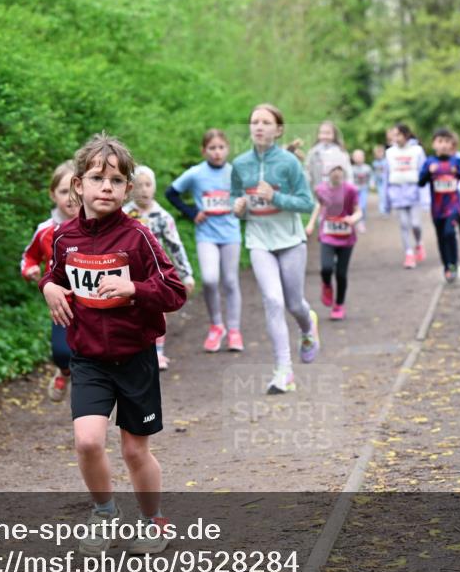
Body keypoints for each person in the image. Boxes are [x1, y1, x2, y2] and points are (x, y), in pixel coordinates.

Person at [40, 132, 187, 555]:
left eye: (117, 180)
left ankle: (153, 520)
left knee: (134, 451)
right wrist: (49, 287)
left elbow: (174, 292)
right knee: (87, 441)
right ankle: (104, 513)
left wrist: (134, 289)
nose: (107, 186)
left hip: (135, 357)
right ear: (78, 186)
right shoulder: (65, 238)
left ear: (127, 189)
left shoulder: (138, 238)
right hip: (88, 357)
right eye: (97, 178)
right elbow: (55, 275)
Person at [232, 103, 320, 395]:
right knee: (272, 300)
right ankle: (284, 370)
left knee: (294, 305)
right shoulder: (240, 164)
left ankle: (308, 327)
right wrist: (239, 208)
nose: (258, 127)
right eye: (254, 122)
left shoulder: (289, 163)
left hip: (290, 240)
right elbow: (237, 204)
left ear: (278, 130)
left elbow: (307, 204)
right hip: (259, 240)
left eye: (266, 122)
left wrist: (277, 197)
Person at [165, 129, 243, 354]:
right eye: (212, 148)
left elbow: (244, 199)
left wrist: (241, 206)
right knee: (209, 279)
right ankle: (217, 325)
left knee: (230, 281)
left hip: (230, 234)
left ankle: (235, 330)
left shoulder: (235, 173)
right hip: (206, 234)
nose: (217, 153)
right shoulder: (196, 173)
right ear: (204, 150)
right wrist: (191, 212)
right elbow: (171, 193)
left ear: (227, 149)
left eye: (221, 148)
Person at [124, 165, 196, 370]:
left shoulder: (163, 217)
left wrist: (186, 275)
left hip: (154, 271)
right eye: (138, 186)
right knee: (130, 311)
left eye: (147, 185)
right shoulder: (123, 214)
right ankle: (132, 350)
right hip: (127, 271)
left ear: (154, 188)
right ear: (130, 189)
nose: (143, 190)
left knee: (157, 310)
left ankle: (158, 352)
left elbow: (175, 246)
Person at [21, 160, 79, 402]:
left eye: (75, 191)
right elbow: (29, 256)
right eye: (64, 192)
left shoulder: (98, 226)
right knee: (62, 352)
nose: (70, 198)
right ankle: (64, 371)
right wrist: (31, 269)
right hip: (62, 302)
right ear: (53, 194)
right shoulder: (45, 230)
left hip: (96, 300)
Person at [305, 164, 362, 320]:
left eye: (339, 170)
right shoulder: (320, 189)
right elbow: (319, 205)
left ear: (343, 173)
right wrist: (310, 224)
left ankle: (339, 305)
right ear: (327, 173)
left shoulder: (350, 190)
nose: (336, 173)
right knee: (326, 268)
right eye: (333, 170)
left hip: (346, 237)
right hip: (328, 234)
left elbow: (358, 210)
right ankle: (327, 285)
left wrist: (353, 219)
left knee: (341, 274)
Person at [418, 128, 460, 283]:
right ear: (434, 144)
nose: (443, 145)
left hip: (454, 206)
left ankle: (454, 264)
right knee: (441, 237)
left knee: (450, 233)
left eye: (447, 142)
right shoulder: (429, 162)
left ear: (452, 145)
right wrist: (429, 173)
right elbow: (420, 183)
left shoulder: (455, 161)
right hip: (437, 209)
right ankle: (447, 267)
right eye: (440, 141)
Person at [385, 123, 429, 268]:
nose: (395, 138)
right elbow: (386, 175)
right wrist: (386, 201)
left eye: (398, 134)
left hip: (414, 192)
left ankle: (419, 243)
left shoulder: (417, 151)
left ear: (406, 135)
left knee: (415, 224)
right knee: (404, 224)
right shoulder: (390, 152)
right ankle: (409, 254)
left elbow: (424, 173)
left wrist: (425, 197)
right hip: (397, 193)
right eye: (394, 135)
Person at [305, 120, 353, 188]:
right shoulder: (313, 152)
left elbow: (348, 173)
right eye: (322, 133)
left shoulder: (341, 152)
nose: (324, 136)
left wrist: (349, 188)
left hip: (337, 190)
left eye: (328, 133)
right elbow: (308, 171)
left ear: (334, 134)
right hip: (318, 190)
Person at [350, 148, 372, 233]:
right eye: (356, 156)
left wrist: (371, 184)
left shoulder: (367, 168)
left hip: (364, 190)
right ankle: (355, 223)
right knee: (354, 207)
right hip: (354, 191)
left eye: (360, 156)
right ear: (353, 158)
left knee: (362, 206)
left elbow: (370, 177)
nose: (358, 158)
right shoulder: (351, 169)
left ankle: (362, 223)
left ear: (363, 157)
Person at [371, 143, 390, 217]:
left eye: (380, 153)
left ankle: (387, 209)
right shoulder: (374, 163)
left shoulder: (386, 161)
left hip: (386, 182)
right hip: (379, 183)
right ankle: (382, 210)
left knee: (387, 196)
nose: (379, 154)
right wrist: (373, 182)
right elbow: (374, 174)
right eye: (377, 153)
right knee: (382, 196)